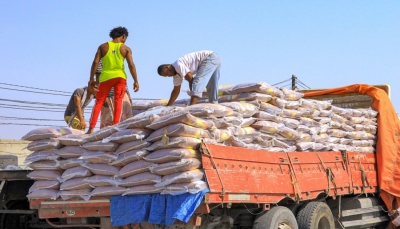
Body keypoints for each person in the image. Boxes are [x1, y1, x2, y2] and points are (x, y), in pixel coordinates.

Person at [86, 26, 139, 134]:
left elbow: (95, 63)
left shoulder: (103, 47)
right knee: (118, 101)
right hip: (120, 77)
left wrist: (91, 79)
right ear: (123, 36)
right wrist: (135, 80)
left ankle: (91, 129)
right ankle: (115, 126)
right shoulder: (126, 48)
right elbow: (131, 65)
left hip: (106, 77)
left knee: (99, 102)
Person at [95, 59, 133, 129]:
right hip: (109, 96)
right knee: (109, 124)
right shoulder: (101, 60)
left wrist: (128, 95)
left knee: (126, 123)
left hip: (123, 94)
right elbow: (98, 80)